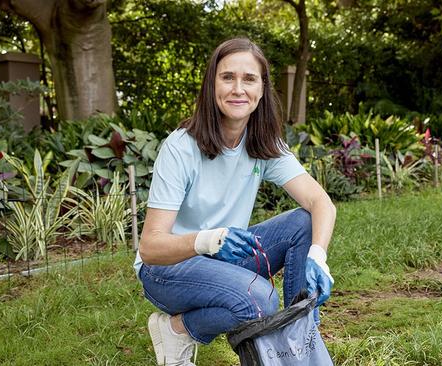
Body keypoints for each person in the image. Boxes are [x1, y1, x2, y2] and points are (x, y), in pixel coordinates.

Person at [134, 38, 337, 366]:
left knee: (304, 222)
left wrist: (319, 256)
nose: (238, 88)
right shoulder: (181, 148)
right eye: (227, 77)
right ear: (211, 85)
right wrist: (208, 241)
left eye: (249, 79)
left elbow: (320, 202)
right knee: (260, 300)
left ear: (262, 88)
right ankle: (180, 327)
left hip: (223, 262)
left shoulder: (263, 143)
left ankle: (302, 344)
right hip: (167, 269)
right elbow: (151, 248)